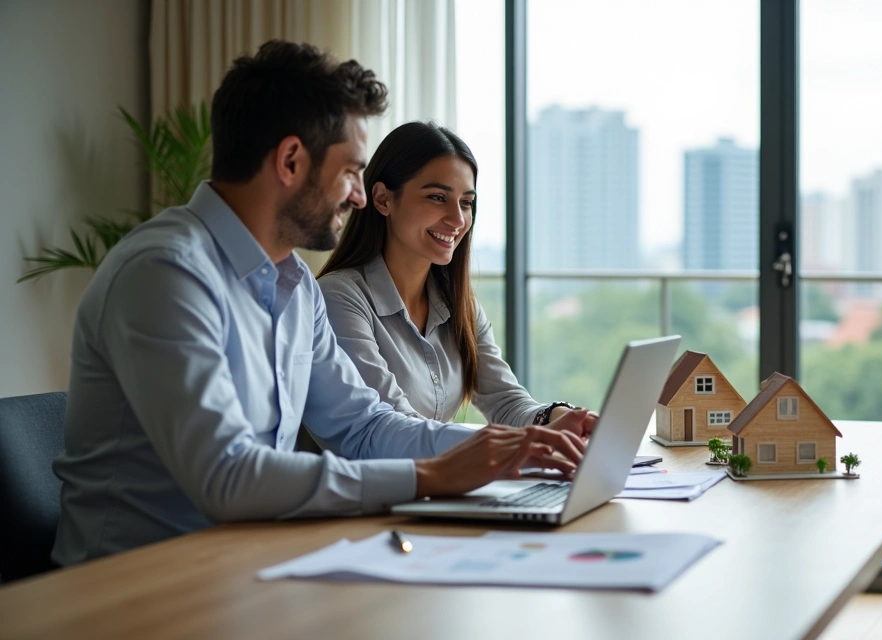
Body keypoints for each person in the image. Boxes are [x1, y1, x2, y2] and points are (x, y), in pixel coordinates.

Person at [51, 41, 591, 567]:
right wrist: (431, 474)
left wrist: (515, 447)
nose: (359, 196)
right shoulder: (166, 273)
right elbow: (226, 477)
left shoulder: (295, 285)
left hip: (246, 567)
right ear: (290, 160)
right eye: (352, 171)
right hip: (137, 588)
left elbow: (362, 427)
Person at [316, 122, 593, 431]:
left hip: (438, 478)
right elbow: (392, 428)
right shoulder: (338, 298)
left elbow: (505, 401)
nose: (458, 220)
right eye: (437, 197)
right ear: (383, 199)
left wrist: (561, 418)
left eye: (466, 202)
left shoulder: (458, 303)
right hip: (374, 479)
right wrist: (504, 448)